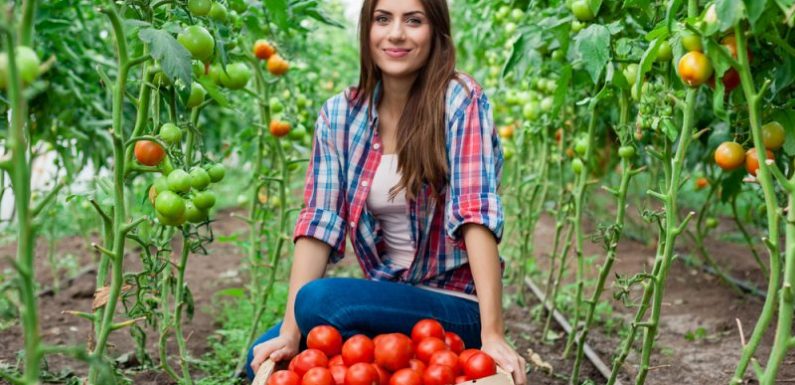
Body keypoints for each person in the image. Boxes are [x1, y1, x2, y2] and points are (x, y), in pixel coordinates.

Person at [246, 0, 527, 384]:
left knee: (320, 303)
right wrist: (290, 335)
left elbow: (475, 213)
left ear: (436, 32)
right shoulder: (340, 115)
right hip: (386, 298)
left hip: (455, 304)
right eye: (383, 19)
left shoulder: (459, 100)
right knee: (264, 353)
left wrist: (493, 335)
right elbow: (319, 222)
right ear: (367, 30)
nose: (396, 33)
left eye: (414, 20)